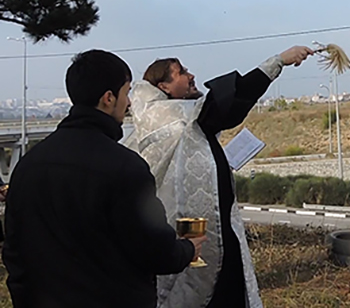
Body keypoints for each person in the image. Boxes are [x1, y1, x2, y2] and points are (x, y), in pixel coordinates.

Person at [3, 49, 205, 308]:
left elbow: (14, 250)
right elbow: (155, 251)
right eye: (126, 92)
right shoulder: (126, 167)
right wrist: (188, 250)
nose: (129, 102)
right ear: (108, 98)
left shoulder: (28, 166)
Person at [126, 45, 314, 308]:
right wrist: (279, 61)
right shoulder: (169, 116)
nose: (191, 76)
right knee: (205, 289)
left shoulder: (174, 117)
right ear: (164, 86)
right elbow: (228, 103)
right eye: (181, 72)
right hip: (191, 230)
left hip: (210, 225)